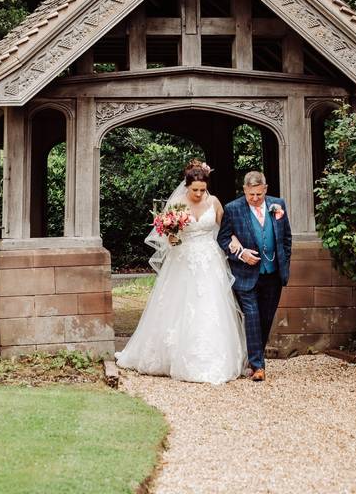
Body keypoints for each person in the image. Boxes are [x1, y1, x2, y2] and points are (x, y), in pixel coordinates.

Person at [115, 159, 247, 384]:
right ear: (187, 186)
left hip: (208, 259)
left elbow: (225, 229)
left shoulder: (214, 202)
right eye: (194, 190)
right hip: (182, 259)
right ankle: (169, 356)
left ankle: (212, 358)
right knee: (178, 303)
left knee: (210, 304)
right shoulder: (176, 204)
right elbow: (164, 235)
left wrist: (235, 242)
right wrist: (171, 236)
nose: (198, 194)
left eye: (202, 190)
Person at [217, 171, 292, 382]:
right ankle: (258, 366)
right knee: (252, 316)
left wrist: (285, 261)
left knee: (266, 318)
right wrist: (241, 254)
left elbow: (286, 237)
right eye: (251, 195)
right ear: (244, 191)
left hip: (273, 274)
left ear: (265, 190)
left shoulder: (278, 205)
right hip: (245, 275)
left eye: (259, 194)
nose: (255, 199)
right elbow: (223, 239)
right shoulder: (233, 209)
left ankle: (252, 357)